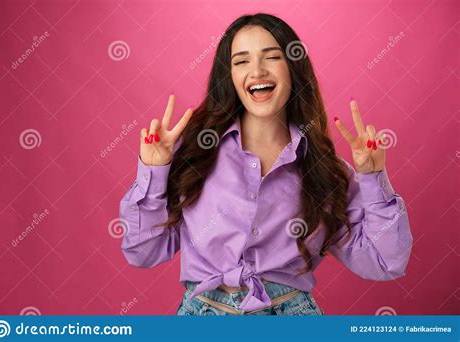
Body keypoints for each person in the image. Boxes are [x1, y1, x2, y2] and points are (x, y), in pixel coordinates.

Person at [119, 13, 413, 315]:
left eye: (271, 57)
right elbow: (143, 252)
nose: (257, 71)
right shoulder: (196, 152)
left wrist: (373, 177)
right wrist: (153, 172)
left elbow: (384, 262)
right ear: (229, 76)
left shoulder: (324, 170)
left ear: (293, 68)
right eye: (241, 61)